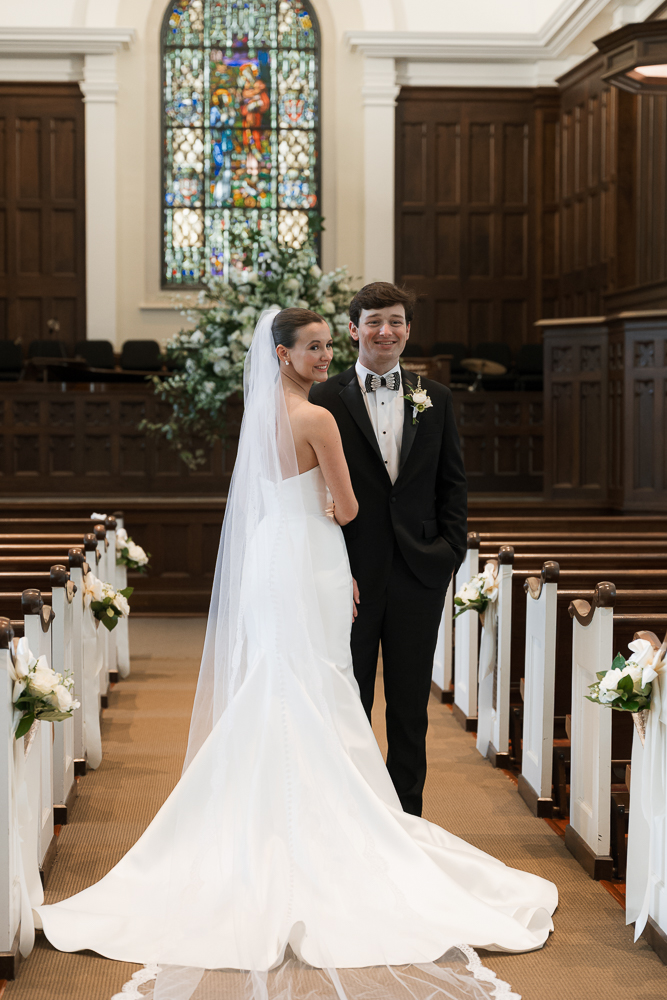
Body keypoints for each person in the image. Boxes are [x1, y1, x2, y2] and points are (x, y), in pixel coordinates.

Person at [33, 308, 556, 1000]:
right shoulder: (318, 420)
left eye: (325, 347)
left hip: (272, 564)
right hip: (313, 559)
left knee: (278, 685)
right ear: (280, 354)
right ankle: (336, 830)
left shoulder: (259, 420)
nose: (322, 357)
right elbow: (345, 506)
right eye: (312, 348)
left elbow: (264, 502)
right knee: (320, 687)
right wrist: (337, 509)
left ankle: (260, 830)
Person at [310, 283, 467, 816]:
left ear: (408, 329)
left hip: (419, 574)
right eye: (375, 321)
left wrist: (448, 553)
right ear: (353, 329)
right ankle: (351, 820)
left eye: (396, 321)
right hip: (348, 578)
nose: (387, 331)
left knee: (409, 711)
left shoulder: (436, 397)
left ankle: (407, 823)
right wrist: (328, 566)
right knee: (349, 705)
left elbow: (453, 485)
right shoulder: (322, 398)